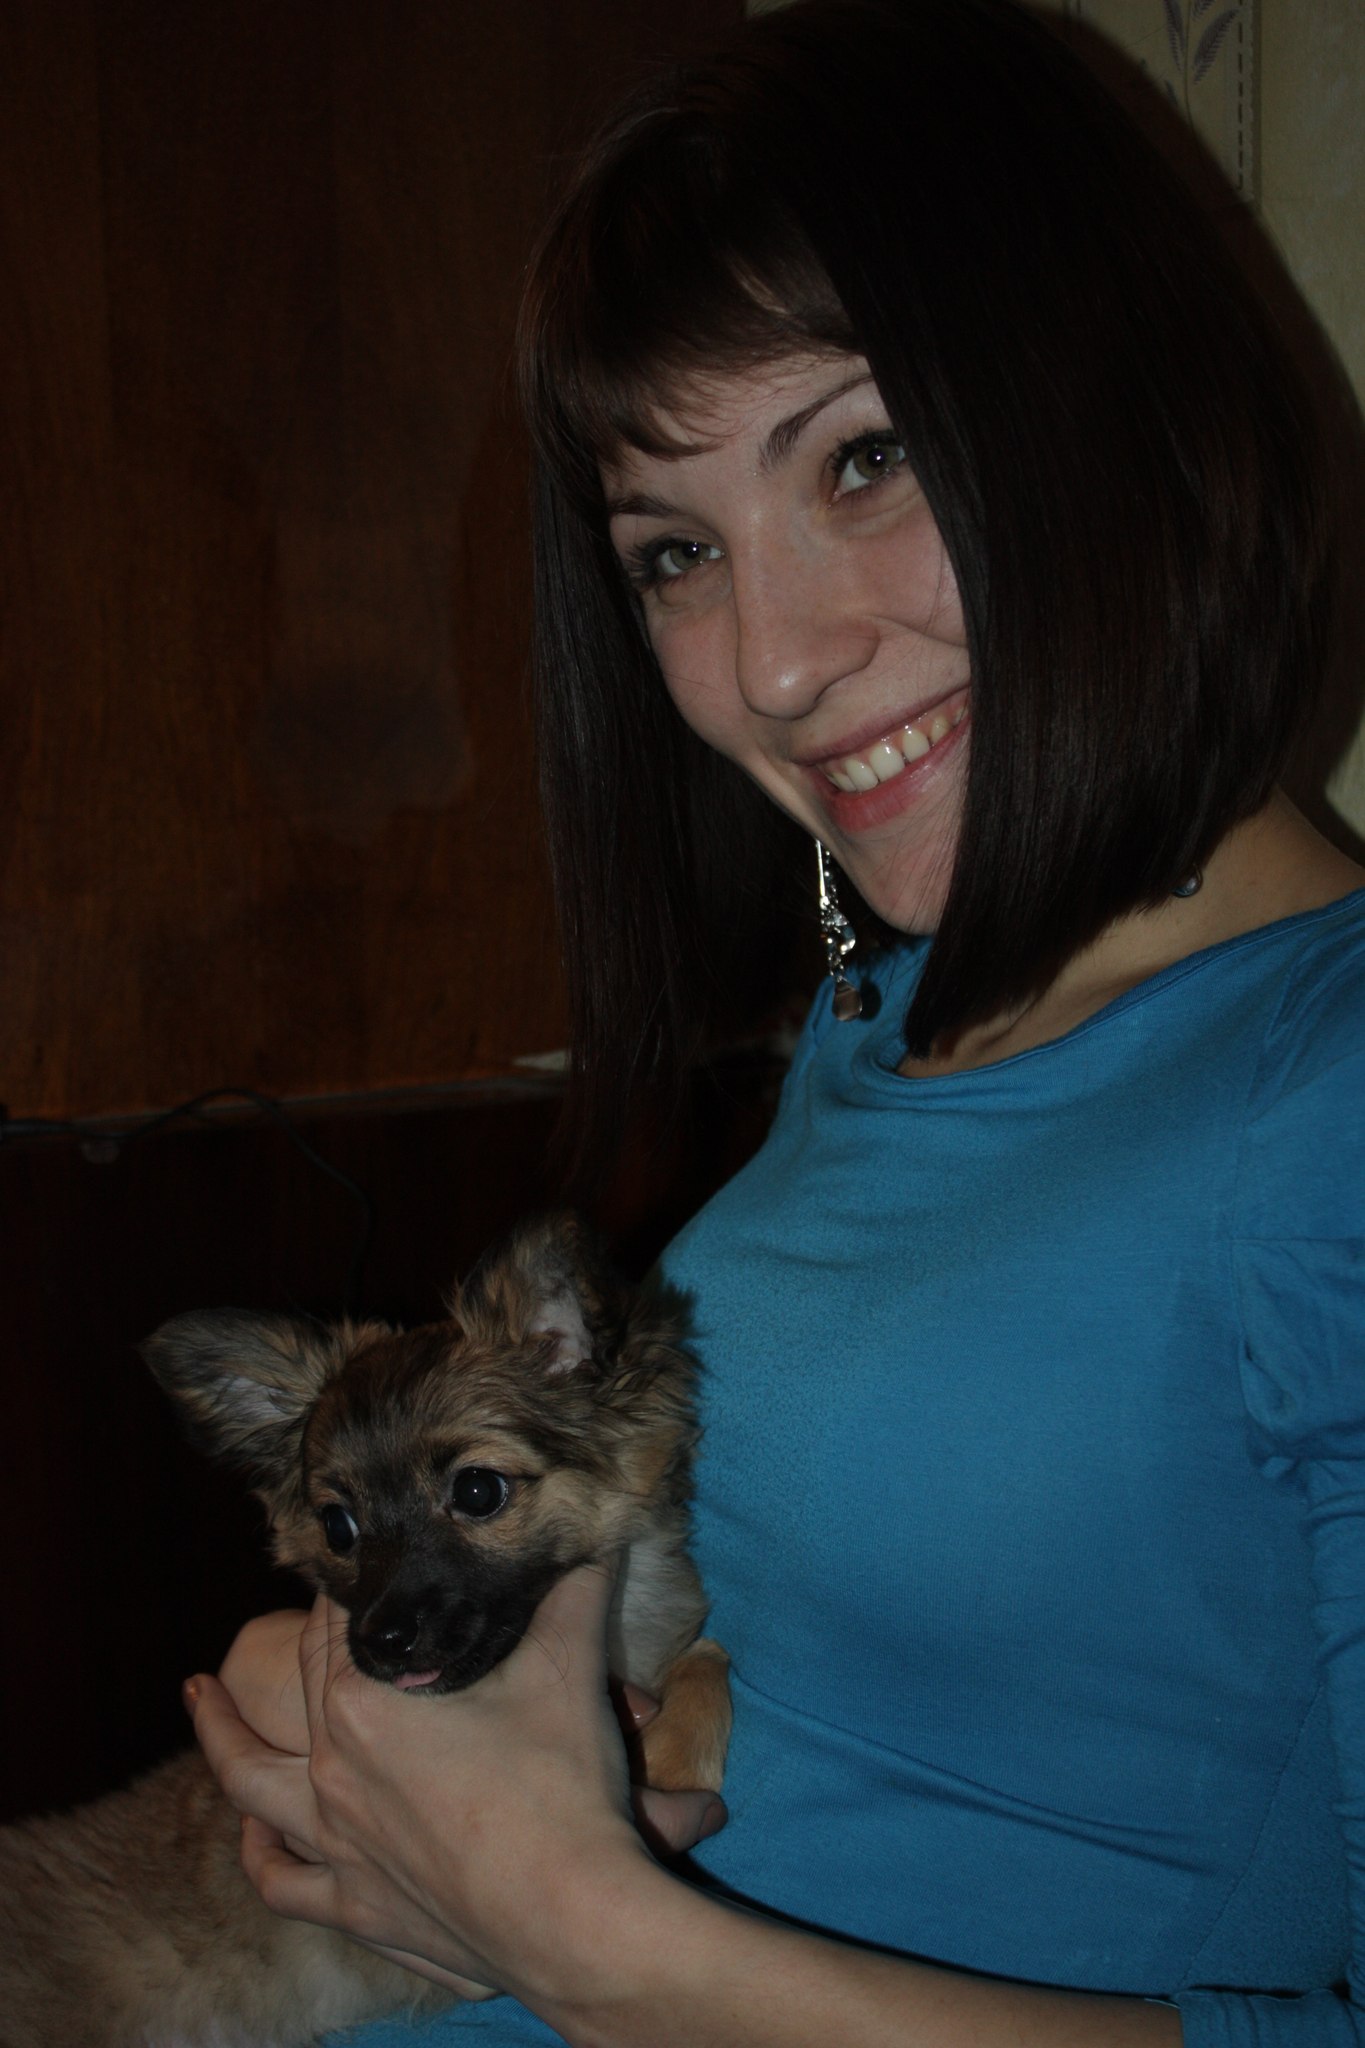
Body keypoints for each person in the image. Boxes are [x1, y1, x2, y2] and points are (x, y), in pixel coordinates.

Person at [186, 0, 1365, 2040]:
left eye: (864, 457)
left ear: (1131, 409)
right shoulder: (883, 1020)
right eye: (673, 552)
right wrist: (472, 1760)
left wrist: (582, 1933)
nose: (773, 662)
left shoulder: (1320, 1092)